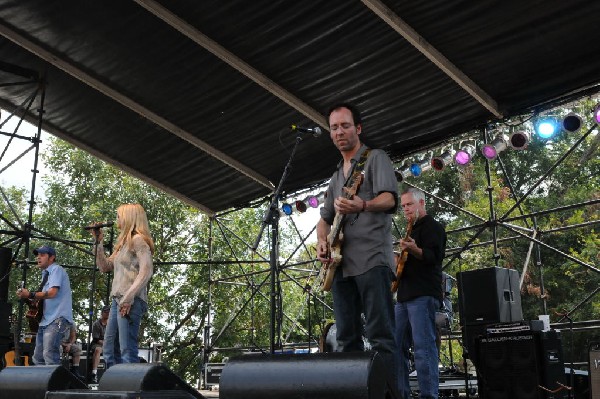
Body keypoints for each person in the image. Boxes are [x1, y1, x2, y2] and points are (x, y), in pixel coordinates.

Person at [316, 102, 398, 388]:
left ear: (358, 128)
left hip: (372, 259)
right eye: (334, 127)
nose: (340, 132)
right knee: (345, 338)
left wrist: (362, 204)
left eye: (345, 126)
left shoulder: (375, 158)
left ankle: (390, 394)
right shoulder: (336, 175)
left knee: (380, 336)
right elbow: (324, 219)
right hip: (341, 267)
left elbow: (390, 199)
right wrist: (321, 241)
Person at [394, 187, 447, 399]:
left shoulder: (433, 227)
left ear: (421, 203)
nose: (405, 209)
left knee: (423, 349)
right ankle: (401, 394)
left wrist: (414, 250)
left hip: (423, 295)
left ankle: (429, 395)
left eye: (409, 204)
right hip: (404, 296)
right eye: (403, 205)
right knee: (396, 348)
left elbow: (435, 257)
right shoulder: (409, 229)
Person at [89, 204, 154, 368]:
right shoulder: (123, 244)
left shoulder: (138, 240)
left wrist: (129, 297)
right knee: (109, 348)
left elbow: (146, 270)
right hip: (117, 300)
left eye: (119, 215)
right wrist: (98, 242)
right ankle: (114, 383)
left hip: (131, 300)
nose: (117, 218)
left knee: (126, 348)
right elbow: (104, 267)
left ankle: (129, 386)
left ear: (129, 217)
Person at [16, 245, 74, 365]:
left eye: (42, 255)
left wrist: (30, 293)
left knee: (50, 355)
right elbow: (41, 300)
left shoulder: (56, 269)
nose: (38, 258)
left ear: (52, 257)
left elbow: (52, 293)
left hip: (58, 318)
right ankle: (42, 384)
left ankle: (55, 384)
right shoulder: (45, 274)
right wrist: (27, 296)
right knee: (37, 358)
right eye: (38, 255)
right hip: (46, 320)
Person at [90, 305, 110, 383]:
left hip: (108, 344)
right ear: (102, 313)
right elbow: (97, 339)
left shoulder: (112, 324)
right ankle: (94, 373)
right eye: (105, 312)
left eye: (109, 312)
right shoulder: (96, 324)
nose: (107, 314)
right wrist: (107, 344)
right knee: (98, 349)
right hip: (97, 343)